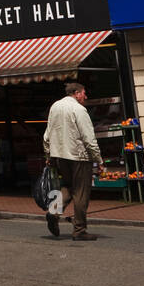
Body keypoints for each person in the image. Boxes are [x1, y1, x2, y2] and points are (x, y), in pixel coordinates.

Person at [43, 80, 103, 241]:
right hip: (79, 156)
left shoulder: (55, 107)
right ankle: (79, 229)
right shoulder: (79, 109)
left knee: (67, 187)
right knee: (81, 192)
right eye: (84, 93)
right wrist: (98, 158)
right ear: (76, 93)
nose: (85, 96)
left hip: (59, 155)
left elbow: (47, 134)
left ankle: (53, 212)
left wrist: (48, 155)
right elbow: (88, 137)